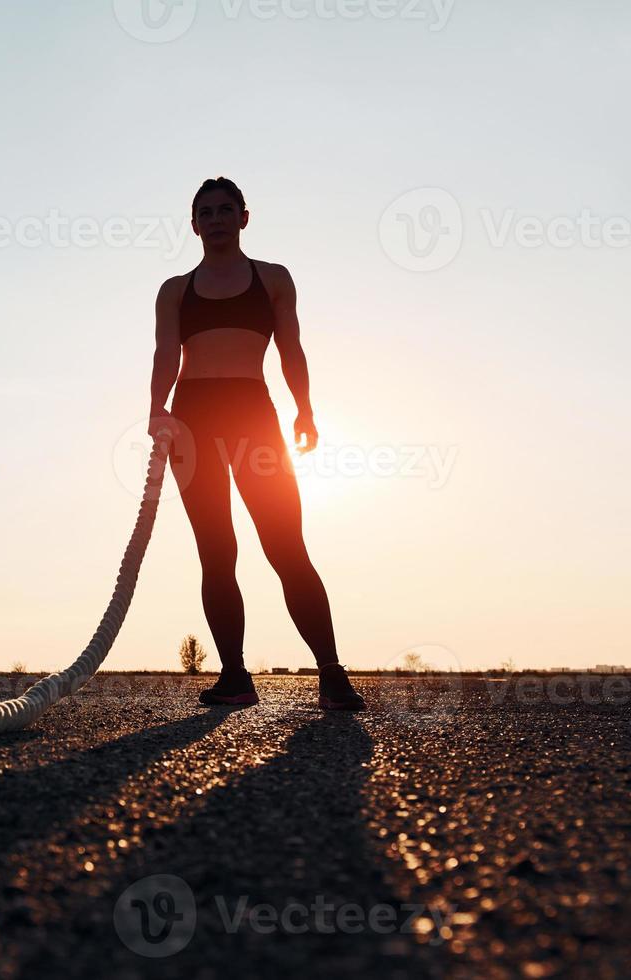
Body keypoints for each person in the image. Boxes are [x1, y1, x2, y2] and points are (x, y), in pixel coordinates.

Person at [147, 177, 365, 712]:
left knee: (286, 546)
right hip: (193, 420)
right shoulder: (175, 289)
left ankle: (332, 674)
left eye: (226, 210)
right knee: (216, 551)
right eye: (206, 212)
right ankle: (235, 676)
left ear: (244, 218)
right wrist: (158, 414)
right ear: (194, 223)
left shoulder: (273, 280)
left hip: (254, 417)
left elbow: (292, 348)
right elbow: (164, 355)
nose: (216, 219)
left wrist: (305, 410)